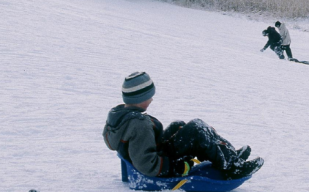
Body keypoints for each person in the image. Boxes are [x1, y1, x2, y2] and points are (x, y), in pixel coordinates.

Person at [104, 72, 263, 180]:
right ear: (140, 97)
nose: (152, 100)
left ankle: (229, 155)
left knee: (178, 125)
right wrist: (178, 167)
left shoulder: (120, 114)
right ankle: (231, 168)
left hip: (156, 151)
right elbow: (146, 164)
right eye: (150, 96)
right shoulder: (139, 125)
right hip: (159, 162)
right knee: (197, 128)